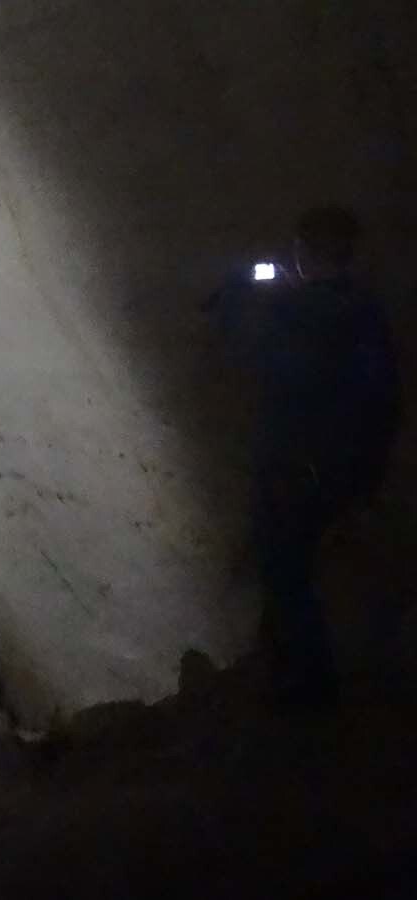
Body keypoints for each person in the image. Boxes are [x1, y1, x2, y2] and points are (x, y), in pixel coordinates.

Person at [209, 205, 401, 708]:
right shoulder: (365, 312)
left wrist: (235, 301)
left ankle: (309, 689)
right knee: (297, 573)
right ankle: (298, 676)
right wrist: (367, 481)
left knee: (284, 572)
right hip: (340, 469)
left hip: (295, 468)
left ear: (306, 252)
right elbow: (384, 399)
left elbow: (259, 360)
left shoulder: (300, 313)